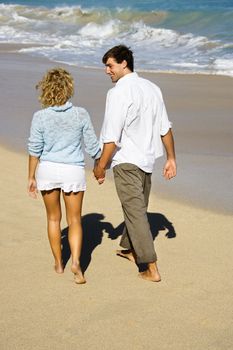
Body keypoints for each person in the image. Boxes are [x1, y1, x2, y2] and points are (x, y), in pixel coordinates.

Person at [93, 45, 177, 282]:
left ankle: (150, 267)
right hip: (147, 161)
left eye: (109, 65)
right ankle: (130, 249)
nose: (106, 71)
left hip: (126, 161)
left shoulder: (118, 92)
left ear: (123, 63)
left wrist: (100, 166)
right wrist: (171, 158)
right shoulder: (152, 88)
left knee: (136, 212)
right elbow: (165, 127)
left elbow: (112, 136)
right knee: (137, 209)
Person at [28, 67, 101, 284]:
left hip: (48, 169)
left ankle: (59, 263)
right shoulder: (81, 114)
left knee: (53, 218)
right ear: (69, 88)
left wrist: (31, 177)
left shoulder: (40, 116)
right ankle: (76, 262)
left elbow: (35, 149)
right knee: (75, 219)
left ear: (46, 89)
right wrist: (101, 163)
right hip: (73, 170)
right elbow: (92, 146)